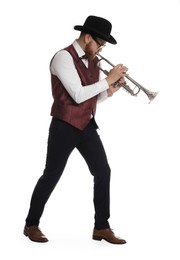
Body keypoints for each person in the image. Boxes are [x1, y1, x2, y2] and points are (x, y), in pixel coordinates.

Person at [24, 15, 128, 244]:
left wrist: (109, 91)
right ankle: (31, 224)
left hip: (86, 126)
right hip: (64, 125)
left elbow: (90, 98)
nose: (101, 48)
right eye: (100, 43)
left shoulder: (93, 60)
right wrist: (108, 79)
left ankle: (101, 227)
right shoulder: (63, 57)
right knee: (52, 175)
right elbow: (77, 94)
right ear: (87, 37)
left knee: (103, 172)